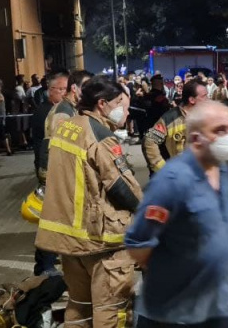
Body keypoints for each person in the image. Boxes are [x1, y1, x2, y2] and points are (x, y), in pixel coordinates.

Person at [35, 76, 142, 327]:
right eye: (121, 104)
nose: (125, 111)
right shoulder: (101, 136)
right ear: (102, 104)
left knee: (79, 306)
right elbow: (121, 187)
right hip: (100, 240)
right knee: (110, 307)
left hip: (70, 238)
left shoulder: (66, 126)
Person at [125, 101, 228, 328]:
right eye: (219, 130)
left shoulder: (223, 169)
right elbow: (139, 243)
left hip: (217, 306)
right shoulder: (172, 180)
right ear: (196, 139)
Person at [30, 70, 71, 277]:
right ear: (51, 90)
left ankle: (48, 262)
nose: (66, 93)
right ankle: (45, 267)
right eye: (62, 89)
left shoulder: (53, 109)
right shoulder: (48, 112)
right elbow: (45, 149)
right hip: (50, 173)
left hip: (52, 172)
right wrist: (46, 177)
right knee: (52, 220)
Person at [143, 80, 210, 175]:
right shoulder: (169, 118)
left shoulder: (207, 116)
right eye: (204, 96)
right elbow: (149, 141)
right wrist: (162, 169)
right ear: (192, 100)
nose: (208, 99)